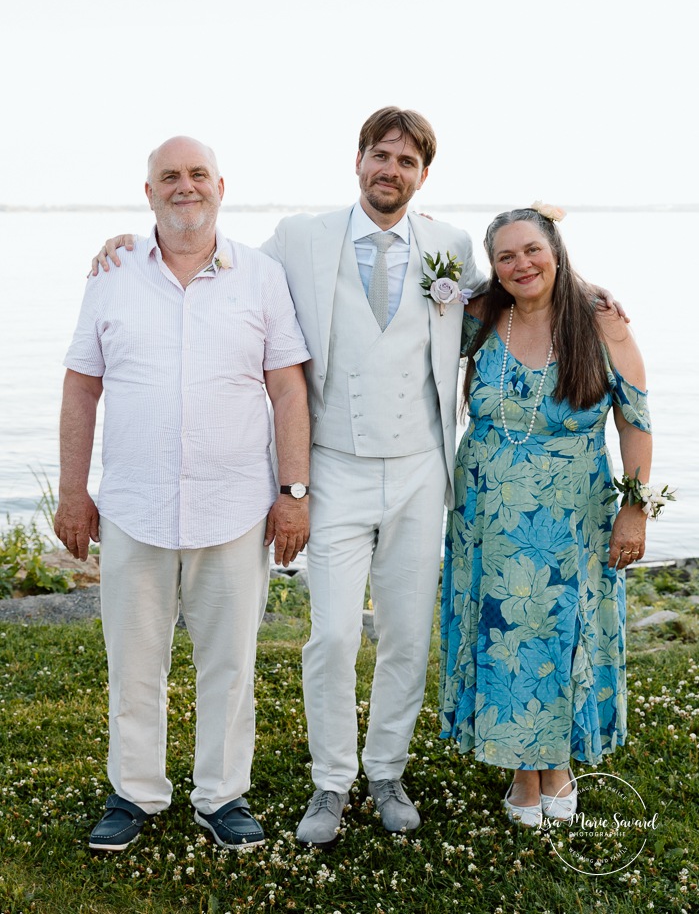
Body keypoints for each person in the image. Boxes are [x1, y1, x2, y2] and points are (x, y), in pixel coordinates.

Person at [90, 107, 490, 846]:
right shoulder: (299, 240)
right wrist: (126, 243)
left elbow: (503, 302)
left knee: (406, 634)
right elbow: (203, 247)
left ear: (422, 175)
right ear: (359, 161)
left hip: (418, 470)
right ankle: (330, 783)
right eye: (379, 155)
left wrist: (579, 294)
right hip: (332, 468)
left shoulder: (451, 247)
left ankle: (387, 771)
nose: (389, 170)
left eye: (405, 161)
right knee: (332, 636)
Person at [54, 136, 311, 853]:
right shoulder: (111, 274)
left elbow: (286, 387)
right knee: (134, 659)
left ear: (221, 187)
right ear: (148, 193)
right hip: (134, 504)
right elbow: (82, 385)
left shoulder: (260, 276)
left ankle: (221, 796)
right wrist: (74, 492)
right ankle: (135, 793)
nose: (184, 186)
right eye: (169, 176)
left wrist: (293, 492)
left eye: (197, 174)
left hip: (234, 505)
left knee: (229, 663)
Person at [439, 205, 653, 828]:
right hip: (485, 513)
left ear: (555, 250)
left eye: (531, 250)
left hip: (572, 515)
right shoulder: (481, 317)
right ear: (494, 268)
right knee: (503, 633)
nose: (521, 264)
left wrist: (634, 513)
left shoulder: (599, 324)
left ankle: (556, 766)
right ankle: (521, 771)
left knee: (562, 632)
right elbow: (403, 338)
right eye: (505, 256)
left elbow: (636, 425)